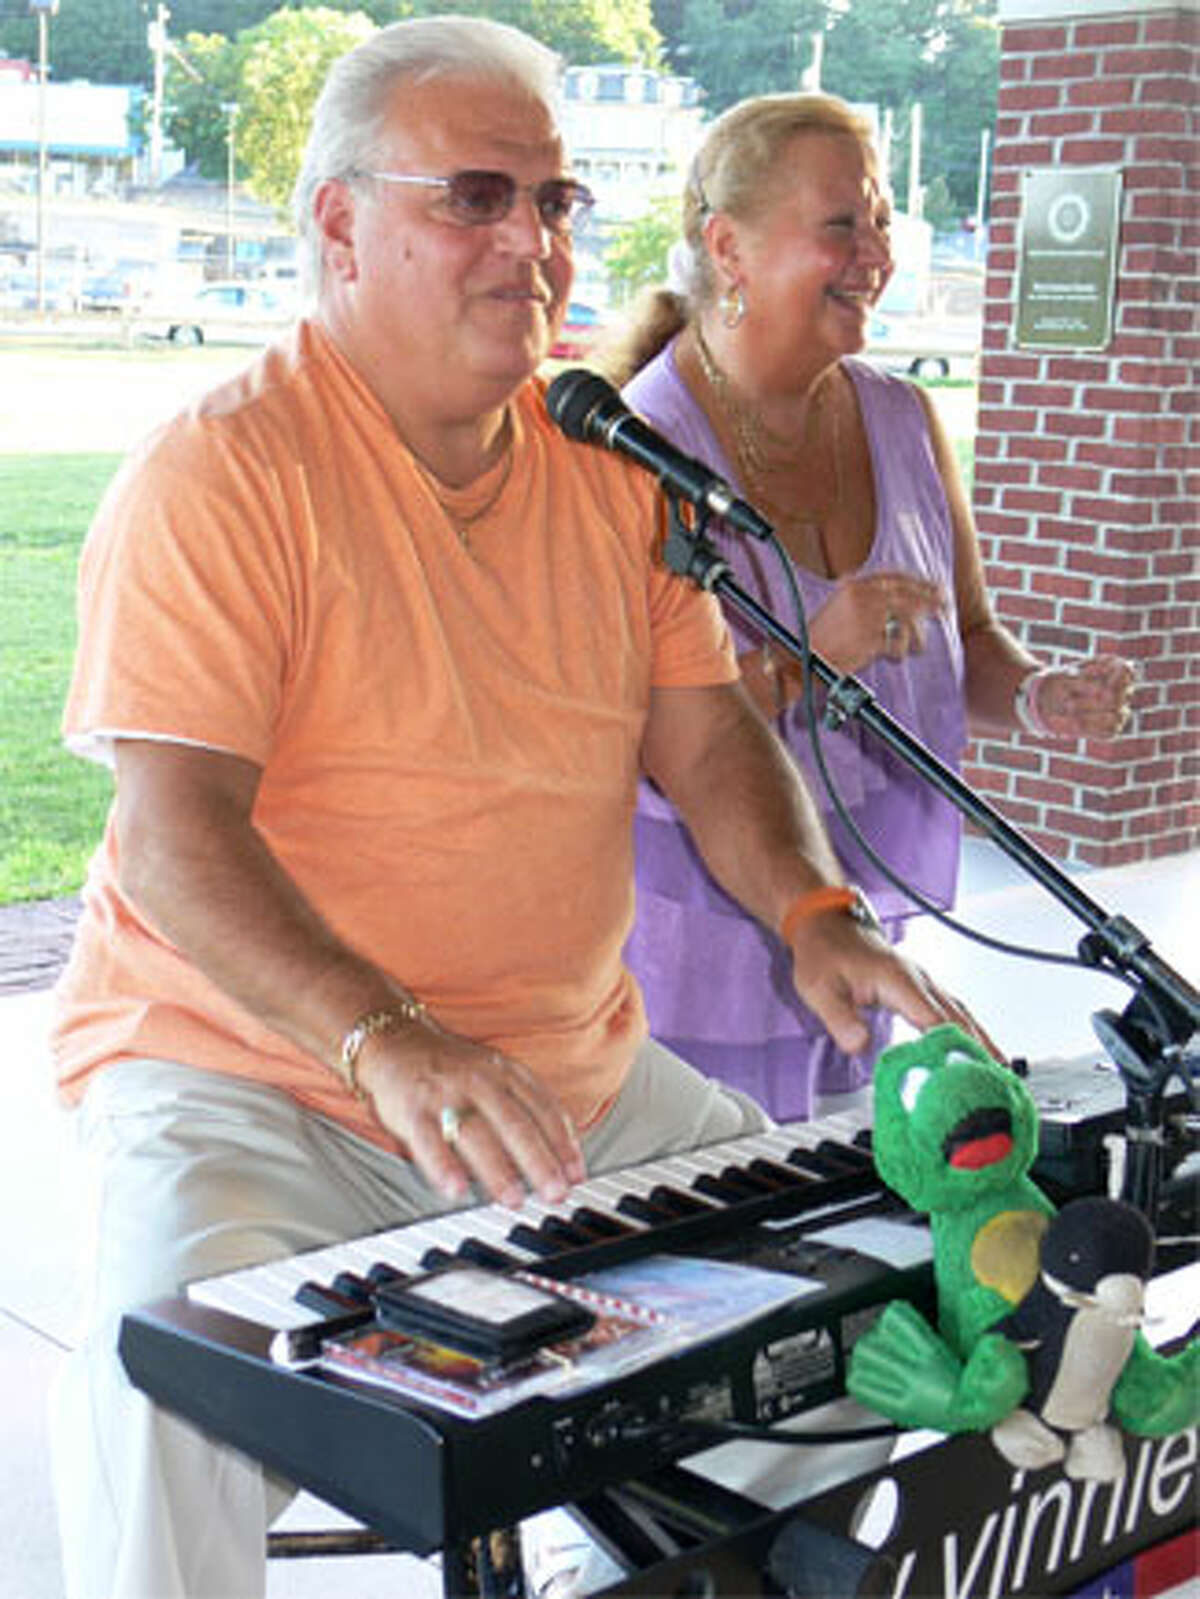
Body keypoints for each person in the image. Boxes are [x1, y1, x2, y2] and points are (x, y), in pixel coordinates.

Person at [47, 25, 980, 1599]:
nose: (533, 243)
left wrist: (816, 914)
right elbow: (174, 835)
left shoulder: (602, 467)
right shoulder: (223, 473)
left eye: (553, 200)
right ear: (338, 226)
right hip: (249, 1085)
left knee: (852, 1309)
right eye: (476, 197)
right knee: (165, 1379)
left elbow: (707, 736)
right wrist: (387, 1033)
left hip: (568, 1082)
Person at [601, 93, 1135, 1123]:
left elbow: (966, 641)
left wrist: (1039, 697)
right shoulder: (638, 443)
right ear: (728, 249)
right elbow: (633, 732)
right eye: (840, 224)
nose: (876, 253)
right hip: (687, 949)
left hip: (858, 919)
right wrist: (817, 653)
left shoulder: (902, 415)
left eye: (883, 220)